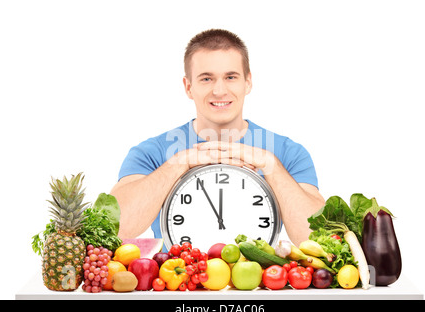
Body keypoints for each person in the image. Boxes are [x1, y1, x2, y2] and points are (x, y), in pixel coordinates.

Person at [110, 29, 325, 246]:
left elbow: (317, 240)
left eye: (230, 77)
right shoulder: (151, 152)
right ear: (188, 87)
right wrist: (180, 163)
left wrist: (271, 165)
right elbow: (116, 227)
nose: (219, 90)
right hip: (176, 279)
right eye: (206, 79)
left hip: (262, 281)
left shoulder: (288, 153)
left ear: (247, 82)